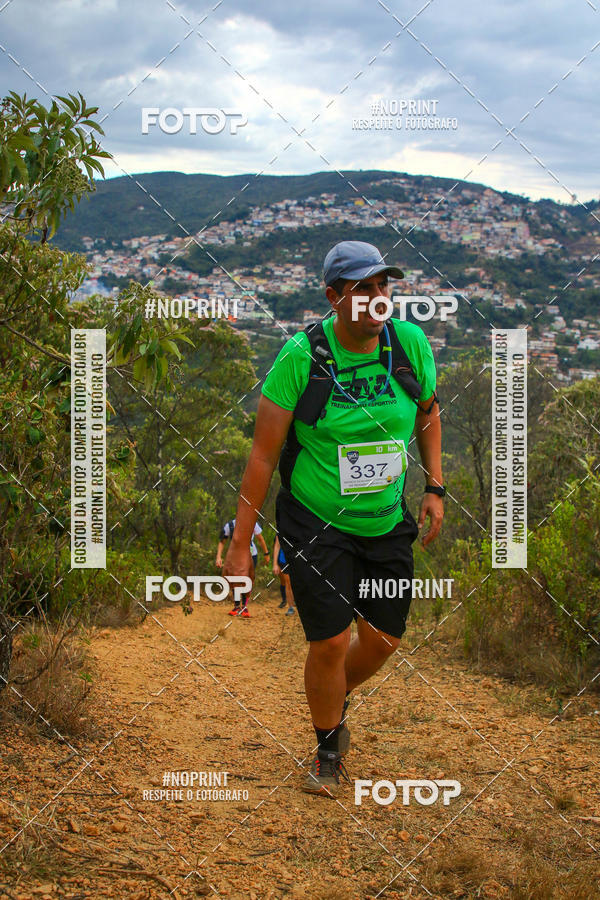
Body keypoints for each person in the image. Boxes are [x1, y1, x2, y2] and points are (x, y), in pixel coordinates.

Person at [224, 240, 444, 796]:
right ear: (332, 297)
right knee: (328, 642)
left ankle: (332, 691)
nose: (377, 300)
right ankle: (328, 746)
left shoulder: (409, 344)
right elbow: (262, 456)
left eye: (383, 288)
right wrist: (239, 545)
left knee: (384, 639)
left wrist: (435, 484)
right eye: (362, 289)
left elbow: (428, 411)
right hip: (315, 521)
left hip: (385, 519)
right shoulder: (302, 358)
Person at [216, 517, 270, 617]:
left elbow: (260, 538)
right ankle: (237, 606)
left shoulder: (252, 523)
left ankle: (244, 607)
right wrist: (218, 557)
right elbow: (222, 541)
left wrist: (266, 553)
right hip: (235, 557)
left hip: (251, 555)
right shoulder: (230, 525)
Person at [273, 535, 296, 615]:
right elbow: (277, 546)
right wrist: (275, 564)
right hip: (284, 559)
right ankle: (291, 607)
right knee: (288, 582)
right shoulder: (281, 528)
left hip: (298, 558)